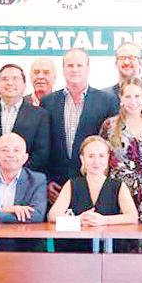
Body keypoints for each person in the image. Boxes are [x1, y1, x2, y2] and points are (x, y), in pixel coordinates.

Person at [42, 49, 120, 202]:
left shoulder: (107, 101)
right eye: (70, 65)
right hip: (56, 187)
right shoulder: (48, 102)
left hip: (94, 185)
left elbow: (112, 146)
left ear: (88, 68)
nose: (75, 69)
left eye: (79, 65)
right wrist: (47, 180)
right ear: (63, 69)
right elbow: (44, 145)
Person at [100, 78, 142, 222]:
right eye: (128, 96)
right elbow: (103, 164)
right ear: (121, 98)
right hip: (117, 191)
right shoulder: (109, 126)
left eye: (137, 96)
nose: (133, 101)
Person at [48, 135, 139, 226]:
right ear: (82, 159)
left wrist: (105, 220)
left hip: (108, 235)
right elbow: (52, 216)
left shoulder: (118, 185)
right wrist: (77, 220)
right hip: (79, 235)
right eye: (91, 156)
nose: (96, 161)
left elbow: (133, 217)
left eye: (101, 156)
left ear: (108, 158)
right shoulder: (71, 184)